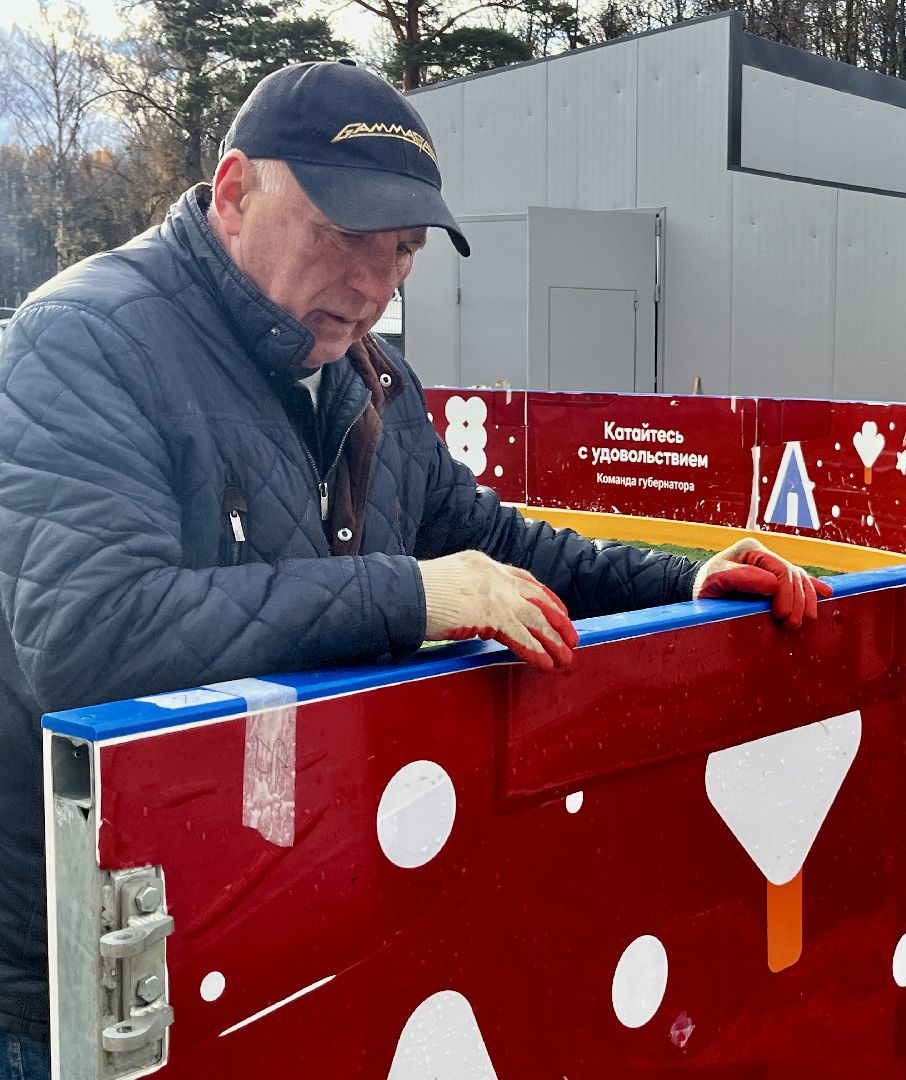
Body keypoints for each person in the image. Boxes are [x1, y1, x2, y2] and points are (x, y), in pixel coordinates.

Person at [0, 61, 829, 1072]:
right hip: (83, 982)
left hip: (287, 926)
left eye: (400, 251)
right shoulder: (85, 340)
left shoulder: (375, 379)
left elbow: (500, 550)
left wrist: (682, 585)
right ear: (233, 191)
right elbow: (90, 640)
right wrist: (414, 593)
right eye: (343, 234)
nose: (373, 282)